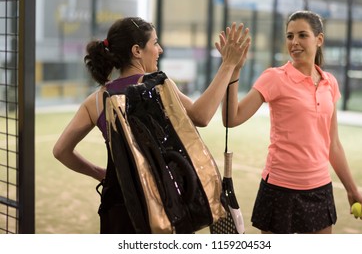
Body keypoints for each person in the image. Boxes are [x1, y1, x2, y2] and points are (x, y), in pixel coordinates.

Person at [52, 17, 250, 233]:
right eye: (155, 43)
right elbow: (201, 116)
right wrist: (229, 64)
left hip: (117, 207)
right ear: (137, 50)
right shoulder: (158, 85)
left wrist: (101, 173)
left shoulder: (97, 100)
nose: (160, 49)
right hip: (163, 204)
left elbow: (61, 151)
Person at [217, 10, 362, 234]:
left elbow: (333, 144)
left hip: (319, 189)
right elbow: (232, 118)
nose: (294, 42)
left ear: (319, 40)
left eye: (302, 35)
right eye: (289, 36)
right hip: (279, 188)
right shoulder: (274, 77)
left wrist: (351, 189)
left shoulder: (330, 83)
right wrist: (234, 69)